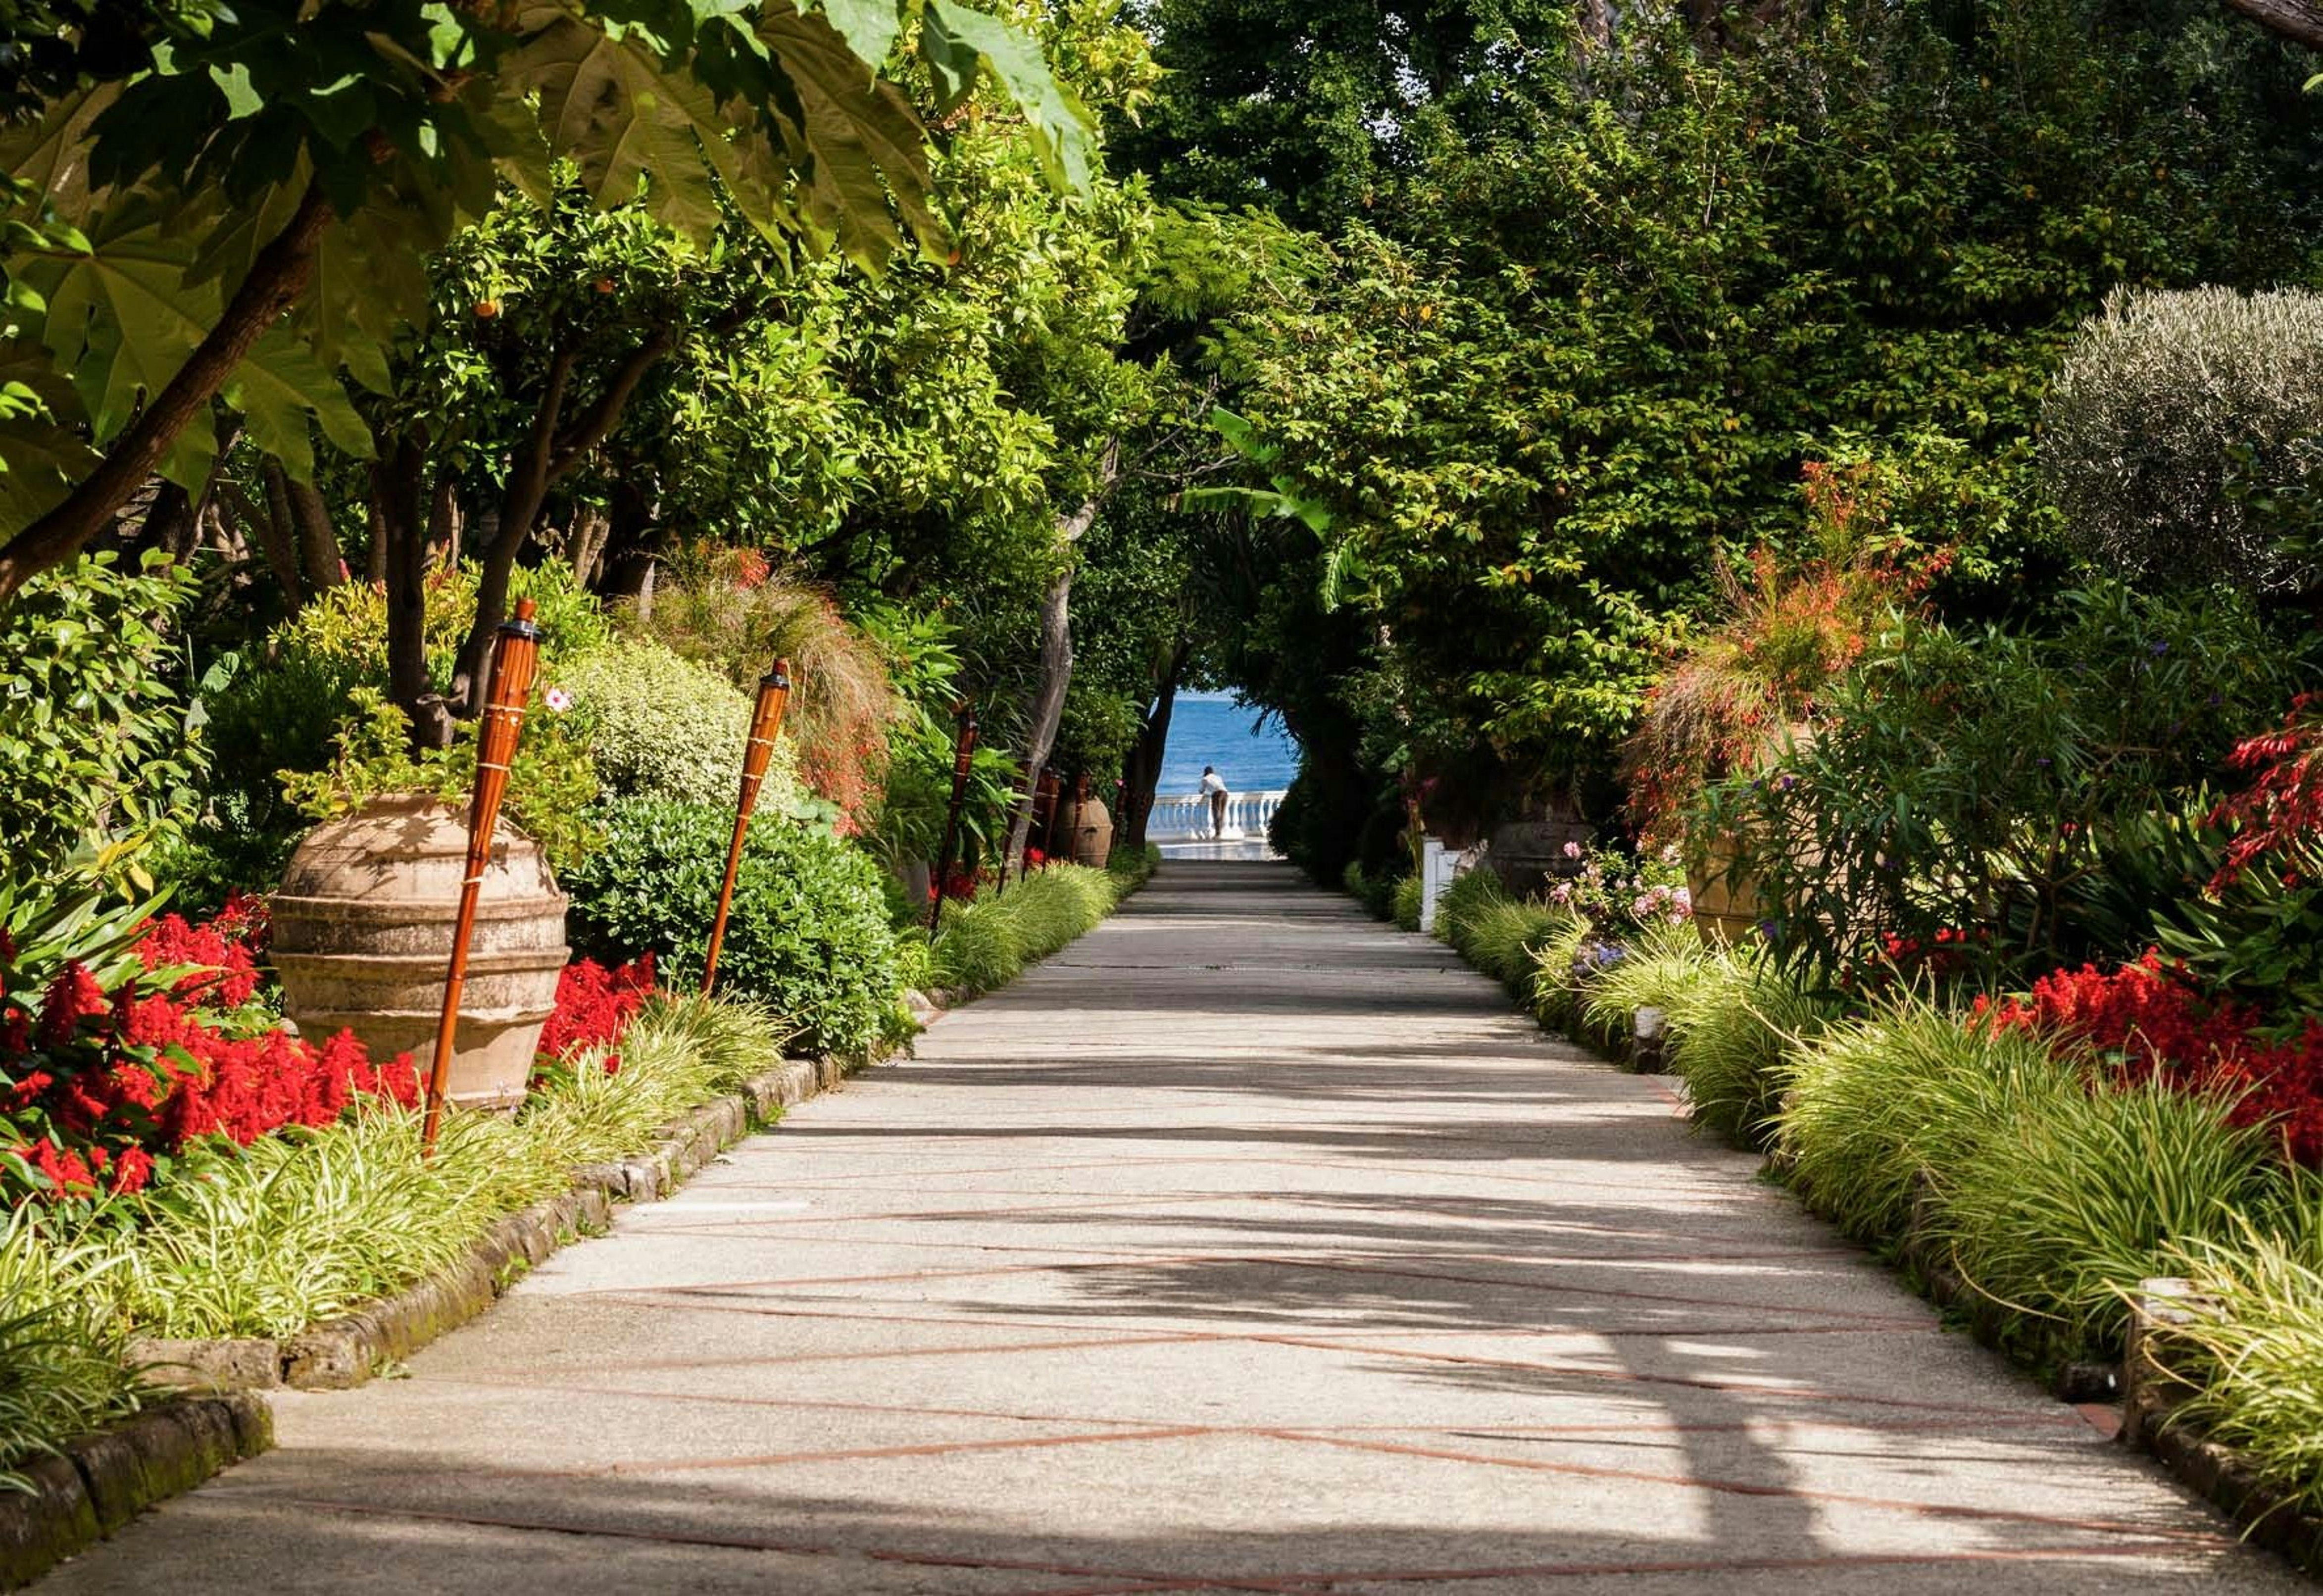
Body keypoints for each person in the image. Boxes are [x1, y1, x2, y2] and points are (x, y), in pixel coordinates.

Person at [1199, 765, 1230, 839]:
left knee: (1216, 814)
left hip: (1217, 794)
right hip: (1225, 793)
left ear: (1205, 772)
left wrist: (1203, 792)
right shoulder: (1218, 777)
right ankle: (1220, 832)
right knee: (1222, 813)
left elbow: (1202, 790)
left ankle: (1218, 834)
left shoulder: (1205, 779)